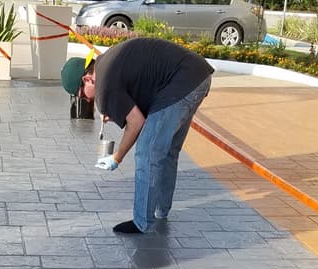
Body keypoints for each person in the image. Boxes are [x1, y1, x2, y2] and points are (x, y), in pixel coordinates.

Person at [61, 39, 213, 234]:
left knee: (146, 152)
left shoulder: (104, 86)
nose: (86, 100)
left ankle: (142, 221)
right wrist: (115, 106)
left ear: (87, 79)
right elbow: (136, 86)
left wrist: (117, 157)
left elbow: (136, 123)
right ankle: (161, 210)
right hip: (198, 75)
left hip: (180, 84)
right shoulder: (105, 63)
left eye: (82, 95)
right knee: (166, 151)